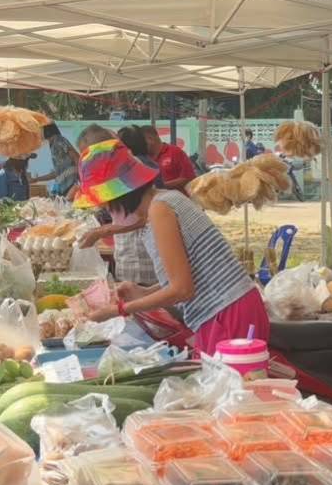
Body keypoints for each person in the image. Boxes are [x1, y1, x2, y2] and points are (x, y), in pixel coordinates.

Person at [78, 139, 267, 353]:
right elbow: (189, 274)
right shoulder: (165, 200)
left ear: (122, 195)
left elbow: (182, 290)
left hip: (229, 311)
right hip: (230, 309)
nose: (107, 211)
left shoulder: (160, 209)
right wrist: (143, 291)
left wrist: (119, 310)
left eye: (106, 204)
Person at [78, 126, 158, 285]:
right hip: (127, 254)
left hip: (142, 257)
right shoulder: (106, 173)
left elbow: (145, 217)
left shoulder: (130, 169)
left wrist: (102, 231)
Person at [141, 126, 196, 190]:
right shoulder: (143, 158)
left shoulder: (175, 152)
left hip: (176, 196)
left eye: (142, 142)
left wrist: (160, 187)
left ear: (151, 138)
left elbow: (188, 178)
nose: (140, 145)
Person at [36, 122, 80, 197]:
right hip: (64, 186)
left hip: (72, 184)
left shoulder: (59, 140)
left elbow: (76, 156)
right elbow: (57, 172)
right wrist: (36, 179)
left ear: (47, 131)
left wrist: (81, 176)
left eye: (40, 130)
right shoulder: (53, 144)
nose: (38, 133)